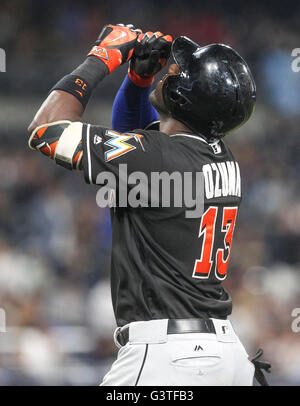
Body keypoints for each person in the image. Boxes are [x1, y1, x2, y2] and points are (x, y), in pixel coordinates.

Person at [28, 23, 264, 386]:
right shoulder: (219, 156)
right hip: (225, 356)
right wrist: (138, 83)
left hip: (168, 357)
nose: (171, 69)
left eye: (180, 71)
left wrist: (102, 57)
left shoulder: (159, 157)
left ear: (187, 96)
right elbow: (138, 145)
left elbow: (45, 128)